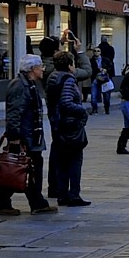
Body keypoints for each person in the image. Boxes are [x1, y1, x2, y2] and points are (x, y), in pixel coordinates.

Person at [0, 55, 55, 215]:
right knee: (18, 168)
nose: (43, 69)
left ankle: (36, 202)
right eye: (40, 66)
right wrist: (14, 137)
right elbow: (14, 112)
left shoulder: (30, 85)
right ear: (32, 69)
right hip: (24, 137)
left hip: (31, 136)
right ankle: (6, 203)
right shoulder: (20, 85)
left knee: (27, 168)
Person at [47, 51, 91, 206]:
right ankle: (73, 195)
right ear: (70, 65)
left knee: (62, 160)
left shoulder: (53, 77)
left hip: (57, 123)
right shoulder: (68, 79)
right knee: (75, 160)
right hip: (70, 124)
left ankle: (62, 193)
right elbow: (66, 101)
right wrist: (82, 111)